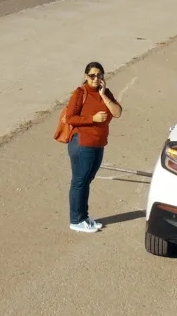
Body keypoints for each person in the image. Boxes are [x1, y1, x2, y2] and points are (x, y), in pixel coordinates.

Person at [63, 61, 123, 233]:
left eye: (99, 75)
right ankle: (76, 220)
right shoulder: (80, 93)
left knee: (87, 181)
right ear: (86, 76)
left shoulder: (105, 92)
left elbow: (117, 113)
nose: (96, 79)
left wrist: (104, 95)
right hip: (82, 144)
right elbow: (70, 118)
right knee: (79, 182)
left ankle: (84, 216)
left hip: (98, 144)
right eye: (92, 75)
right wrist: (93, 119)